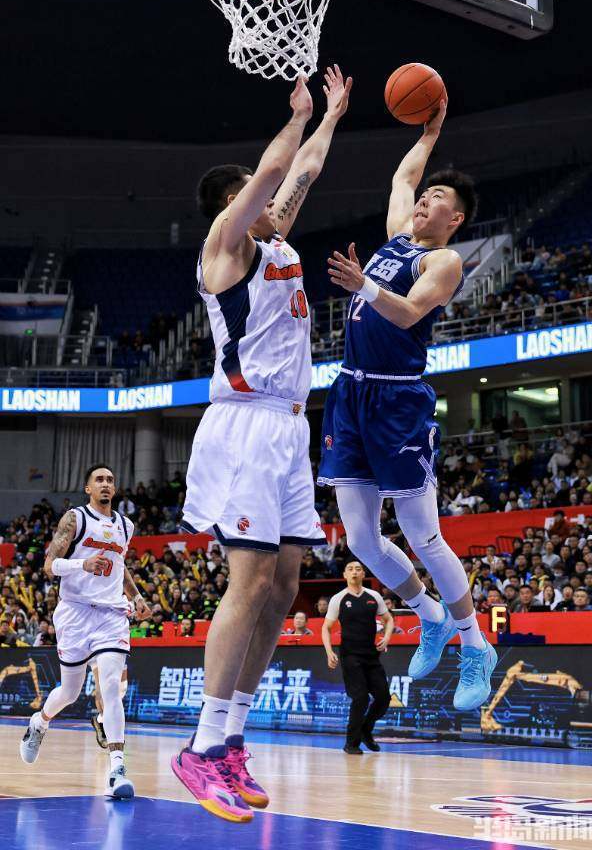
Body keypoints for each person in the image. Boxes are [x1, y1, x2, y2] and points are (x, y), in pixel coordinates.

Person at [174, 68, 352, 824]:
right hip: (243, 424)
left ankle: (232, 740)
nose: (271, 202)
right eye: (253, 195)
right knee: (246, 585)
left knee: (282, 587)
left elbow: (301, 171)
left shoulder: (275, 243)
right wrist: (297, 114)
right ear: (233, 204)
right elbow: (279, 168)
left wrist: (331, 118)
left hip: (289, 425)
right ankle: (198, 749)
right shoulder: (224, 248)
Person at [318, 101, 497, 711]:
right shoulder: (399, 236)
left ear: (457, 217)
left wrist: (363, 285)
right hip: (350, 392)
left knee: (423, 534)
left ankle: (475, 644)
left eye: (437, 197)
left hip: (397, 398)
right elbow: (402, 177)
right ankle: (430, 615)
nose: (424, 199)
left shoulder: (443, 260)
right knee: (361, 539)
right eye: (425, 195)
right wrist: (431, 132)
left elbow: (409, 311)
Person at [19, 464, 151, 799]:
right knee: (70, 692)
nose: (106, 484)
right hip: (75, 613)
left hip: (111, 614)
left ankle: (117, 770)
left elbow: (120, 567)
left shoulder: (125, 525)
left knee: (111, 687)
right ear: (88, 488)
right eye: (99, 480)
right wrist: (83, 564)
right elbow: (49, 566)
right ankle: (40, 722)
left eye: (110, 480)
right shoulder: (75, 519)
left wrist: (136, 597)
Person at [322, 561, 393, 754]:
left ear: (363, 574)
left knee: (384, 698)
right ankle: (351, 743)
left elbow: (388, 620)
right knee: (360, 698)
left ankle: (366, 730)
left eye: (358, 569)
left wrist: (386, 638)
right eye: (350, 569)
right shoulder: (338, 598)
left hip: (371, 655)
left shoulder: (374, 596)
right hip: (350, 655)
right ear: (344, 575)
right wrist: (329, 651)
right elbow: (326, 628)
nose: (354, 572)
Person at [90, 658, 129, 750]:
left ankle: (100, 720)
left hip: (117, 651)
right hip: (97, 653)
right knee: (102, 691)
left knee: (121, 689)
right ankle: (113, 734)